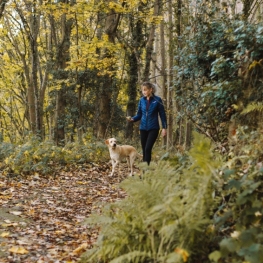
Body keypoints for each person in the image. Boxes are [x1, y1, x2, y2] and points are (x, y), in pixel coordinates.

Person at [127, 82, 167, 165]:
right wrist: (133, 119)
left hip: (154, 128)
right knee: (144, 149)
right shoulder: (141, 100)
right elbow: (139, 114)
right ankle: (145, 170)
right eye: (142, 90)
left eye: (145, 90)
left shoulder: (157, 100)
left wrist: (164, 128)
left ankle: (146, 171)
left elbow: (162, 115)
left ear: (151, 90)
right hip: (143, 128)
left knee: (148, 148)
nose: (144, 92)